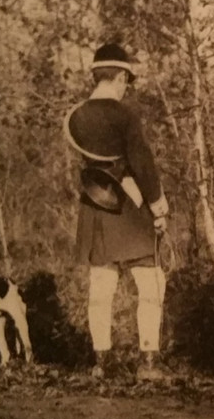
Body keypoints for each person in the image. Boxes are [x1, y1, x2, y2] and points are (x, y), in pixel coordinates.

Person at [64, 43, 170, 380]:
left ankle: (101, 362)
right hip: (129, 205)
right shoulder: (125, 115)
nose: (127, 87)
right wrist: (157, 203)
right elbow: (141, 160)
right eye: (127, 80)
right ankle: (149, 362)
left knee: (101, 284)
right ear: (121, 76)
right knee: (150, 282)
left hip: (95, 204)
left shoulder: (76, 115)